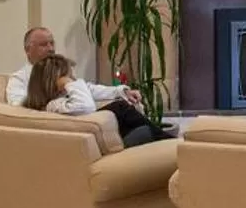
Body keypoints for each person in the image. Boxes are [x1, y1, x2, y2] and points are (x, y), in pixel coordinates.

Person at [22, 52, 160, 145]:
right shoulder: (52, 105)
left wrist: (122, 91)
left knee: (134, 120)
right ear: (56, 80)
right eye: (69, 76)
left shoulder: (63, 97)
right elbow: (86, 107)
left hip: (97, 139)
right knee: (121, 109)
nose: (73, 80)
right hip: (92, 142)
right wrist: (69, 83)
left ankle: (164, 139)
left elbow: (91, 89)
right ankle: (167, 141)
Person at [4, 25, 56, 106]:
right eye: (43, 44)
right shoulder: (19, 78)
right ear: (27, 50)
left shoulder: (64, 73)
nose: (51, 49)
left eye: (52, 43)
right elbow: (17, 105)